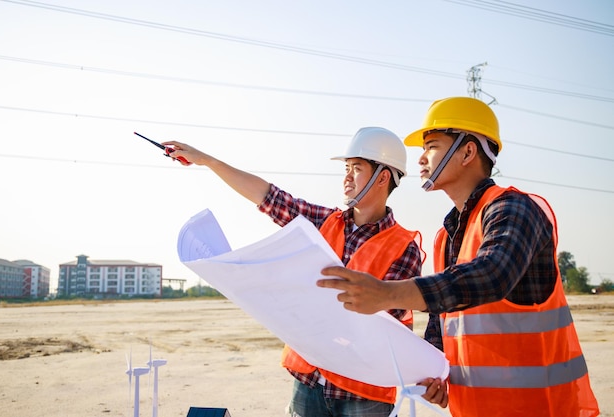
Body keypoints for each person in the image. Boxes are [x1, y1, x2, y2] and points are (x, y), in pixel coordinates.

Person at [317, 97, 600, 417]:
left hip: (538, 408)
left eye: (432, 146)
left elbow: (492, 274)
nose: (421, 159)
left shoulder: (515, 209)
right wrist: (438, 373)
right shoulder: (448, 236)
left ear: (468, 151)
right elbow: (444, 323)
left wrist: (387, 294)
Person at [163, 127, 425, 417]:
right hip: (309, 385)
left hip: (364, 394)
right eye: (346, 168)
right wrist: (208, 161)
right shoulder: (323, 222)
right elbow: (269, 197)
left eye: (357, 168)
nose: (347, 177)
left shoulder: (404, 248)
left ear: (383, 177)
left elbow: (384, 327)